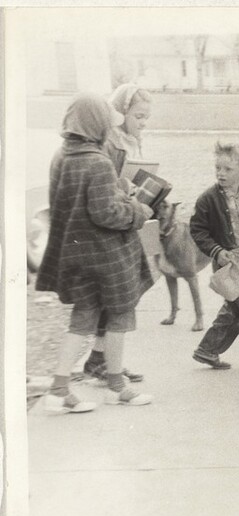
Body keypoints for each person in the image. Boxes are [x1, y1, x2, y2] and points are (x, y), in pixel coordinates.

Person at [36, 92, 155, 413]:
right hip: (107, 258)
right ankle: (116, 387)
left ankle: (59, 390)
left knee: (83, 319)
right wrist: (138, 209)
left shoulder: (61, 156)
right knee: (119, 315)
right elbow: (108, 215)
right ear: (96, 125)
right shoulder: (98, 162)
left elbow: (75, 202)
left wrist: (118, 190)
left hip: (75, 256)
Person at [80, 83, 154, 384]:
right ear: (121, 112)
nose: (143, 122)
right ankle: (103, 363)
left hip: (127, 220)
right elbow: (102, 188)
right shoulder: (110, 142)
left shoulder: (132, 140)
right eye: (138, 116)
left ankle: (100, 359)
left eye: (147, 117)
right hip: (109, 227)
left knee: (132, 287)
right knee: (116, 295)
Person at [190, 142, 239, 373]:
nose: (221, 174)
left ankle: (207, 350)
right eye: (218, 168)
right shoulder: (208, 199)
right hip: (227, 263)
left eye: (227, 169)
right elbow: (198, 230)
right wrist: (217, 251)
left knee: (235, 309)